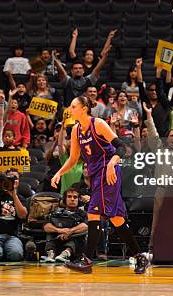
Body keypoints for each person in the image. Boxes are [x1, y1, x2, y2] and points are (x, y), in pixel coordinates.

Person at [51, 96, 150, 274]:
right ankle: (140, 256)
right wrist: (59, 172)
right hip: (97, 174)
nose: (70, 109)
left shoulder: (98, 124)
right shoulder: (75, 130)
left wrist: (112, 164)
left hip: (109, 171)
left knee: (93, 212)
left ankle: (86, 259)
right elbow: (73, 159)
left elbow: (121, 147)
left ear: (84, 109)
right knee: (116, 219)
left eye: (73, 106)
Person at [0, 168, 27, 262]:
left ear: (18, 182)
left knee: (16, 255)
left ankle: (5, 252)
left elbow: (23, 215)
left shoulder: (21, 198)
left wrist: (14, 195)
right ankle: (1, 252)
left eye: (14, 178)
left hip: (12, 236)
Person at [42, 186, 88, 263]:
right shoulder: (56, 212)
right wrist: (59, 230)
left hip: (73, 242)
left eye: (75, 197)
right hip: (57, 238)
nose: (72, 199)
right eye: (69, 197)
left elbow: (85, 226)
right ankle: (51, 254)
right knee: (50, 233)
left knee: (80, 234)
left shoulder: (82, 214)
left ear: (78, 200)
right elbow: (46, 226)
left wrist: (70, 231)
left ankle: (65, 253)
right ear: (64, 199)